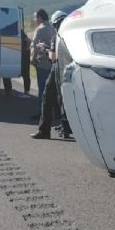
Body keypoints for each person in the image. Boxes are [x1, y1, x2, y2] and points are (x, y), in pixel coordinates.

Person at [30, 10, 73, 140]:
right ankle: (66, 127)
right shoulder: (71, 35)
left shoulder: (57, 36)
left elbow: (53, 57)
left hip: (57, 68)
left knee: (47, 97)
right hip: (71, 69)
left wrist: (45, 49)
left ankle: (44, 130)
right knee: (65, 99)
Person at [30, 8, 56, 117]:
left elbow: (34, 47)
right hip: (52, 63)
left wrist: (33, 60)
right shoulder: (53, 29)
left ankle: (41, 114)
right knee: (51, 89)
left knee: (42, 89)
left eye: (35, 17)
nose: (35, 20)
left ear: (40, 18)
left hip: (42, 63)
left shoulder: (39, 29)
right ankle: (52, 113)